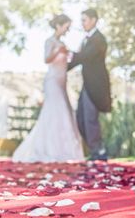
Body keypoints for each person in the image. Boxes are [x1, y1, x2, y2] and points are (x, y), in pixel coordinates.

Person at [12, 14, 84, 163]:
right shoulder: (50, 41)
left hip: (63, 83)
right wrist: (59, 51)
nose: (68, 30)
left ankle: (64, 150)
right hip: (52, 82)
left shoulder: (63, 43)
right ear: (58, 25)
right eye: (66, 26)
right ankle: (49, 149)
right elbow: (46, 59)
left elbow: (68, 63)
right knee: (57, 112)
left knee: (65, 114)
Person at [67, 8, 111, 161]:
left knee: (90, 118)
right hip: (87, 85)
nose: (82, 23)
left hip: (96, 86)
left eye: (84, 20)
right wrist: (60, 68)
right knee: (81, 118)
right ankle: (95, 149)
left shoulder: (99, 39)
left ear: (93, 20)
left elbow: (85, 56)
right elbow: (79, 60)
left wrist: (68, 54)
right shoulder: (86, 40)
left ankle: (99, 151)